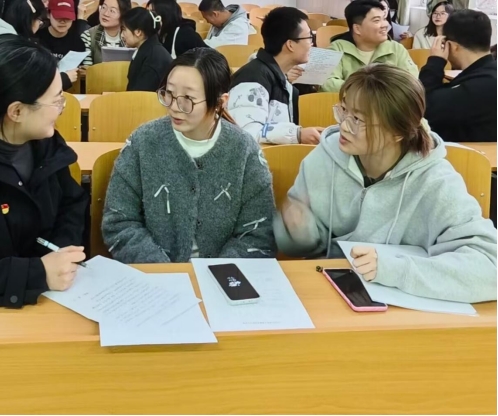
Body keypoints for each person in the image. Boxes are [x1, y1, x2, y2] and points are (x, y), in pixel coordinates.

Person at [274, 64, 497, 304]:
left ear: (398, 132)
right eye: (344, 111)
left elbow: (490, 269)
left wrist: (394, 270)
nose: (344, 125)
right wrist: (299, 232)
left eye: (358, 119)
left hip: (407, 306)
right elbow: (303, 251)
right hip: (333, 294)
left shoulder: (436, 180)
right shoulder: (323, 159)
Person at [0, 35, 88, 308]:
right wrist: (35, 273)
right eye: (56, 101)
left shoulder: (44, 144)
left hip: (49, 298)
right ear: (17, 111)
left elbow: (72, 203)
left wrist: (61, 256)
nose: (61, 108)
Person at [102, 48, 276, 263]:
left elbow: (258, 233)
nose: (175, 107)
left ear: (220, 102)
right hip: (156, 276)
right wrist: (164, 271)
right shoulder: (143, 142)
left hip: (224, 275)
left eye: (188, 98)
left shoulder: (244, 150)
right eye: (169, 93)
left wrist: (218, 271)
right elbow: (119, 222)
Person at [228, 7, 322, 145]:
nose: (312, 43)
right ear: (290, 45)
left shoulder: (280, 77)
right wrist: (296, 134)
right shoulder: (252, 80)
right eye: (309, 37)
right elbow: (246, 133)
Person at [419, 10, 496, 143]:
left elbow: (422, 108)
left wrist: (435, 62)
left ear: (453, 46)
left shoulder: (478, 86)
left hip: (463, 153)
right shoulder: (488, 73)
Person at [320, 0, 418, 93]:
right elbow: (325, 83)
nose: (385, 24)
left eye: (384, 19)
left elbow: (411, 81)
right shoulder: (335, 48)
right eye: (377, 20)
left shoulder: (396, 48)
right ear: (357, 29)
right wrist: (369, 91)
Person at [37, 0, 89, 90]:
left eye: (67, 17)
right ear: (48, 15)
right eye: (58, 17)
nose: (63, 21)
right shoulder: (37, 39)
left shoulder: (78, 43)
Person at [121, 7, 172, 91]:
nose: (122, 35)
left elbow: (141, 96)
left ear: (138, 32)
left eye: (124, 29)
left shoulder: (152, 59)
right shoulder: (151, 49)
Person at [80, 0, 131, 67]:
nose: (105, 13)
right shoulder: (88, 36)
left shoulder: (131, 37)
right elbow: (86, 70)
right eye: (103, 7)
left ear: (124, 15)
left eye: (112, 11)